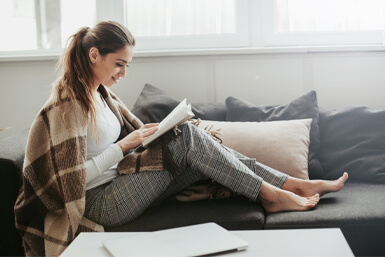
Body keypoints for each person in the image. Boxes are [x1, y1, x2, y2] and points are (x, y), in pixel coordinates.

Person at [14, 21, 348, 257]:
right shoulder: (66, 105)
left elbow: (132, 139)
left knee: (201, 145)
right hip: (100, 203)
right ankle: (275, 192)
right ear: (94, 55)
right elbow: (70, 184)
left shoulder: (101, 96)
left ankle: (289, 184)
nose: (123, 73)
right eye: (119, 64)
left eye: (127, 65)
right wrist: (123, 147)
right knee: (188, 140)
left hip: (123, 183)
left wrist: (153, 135)